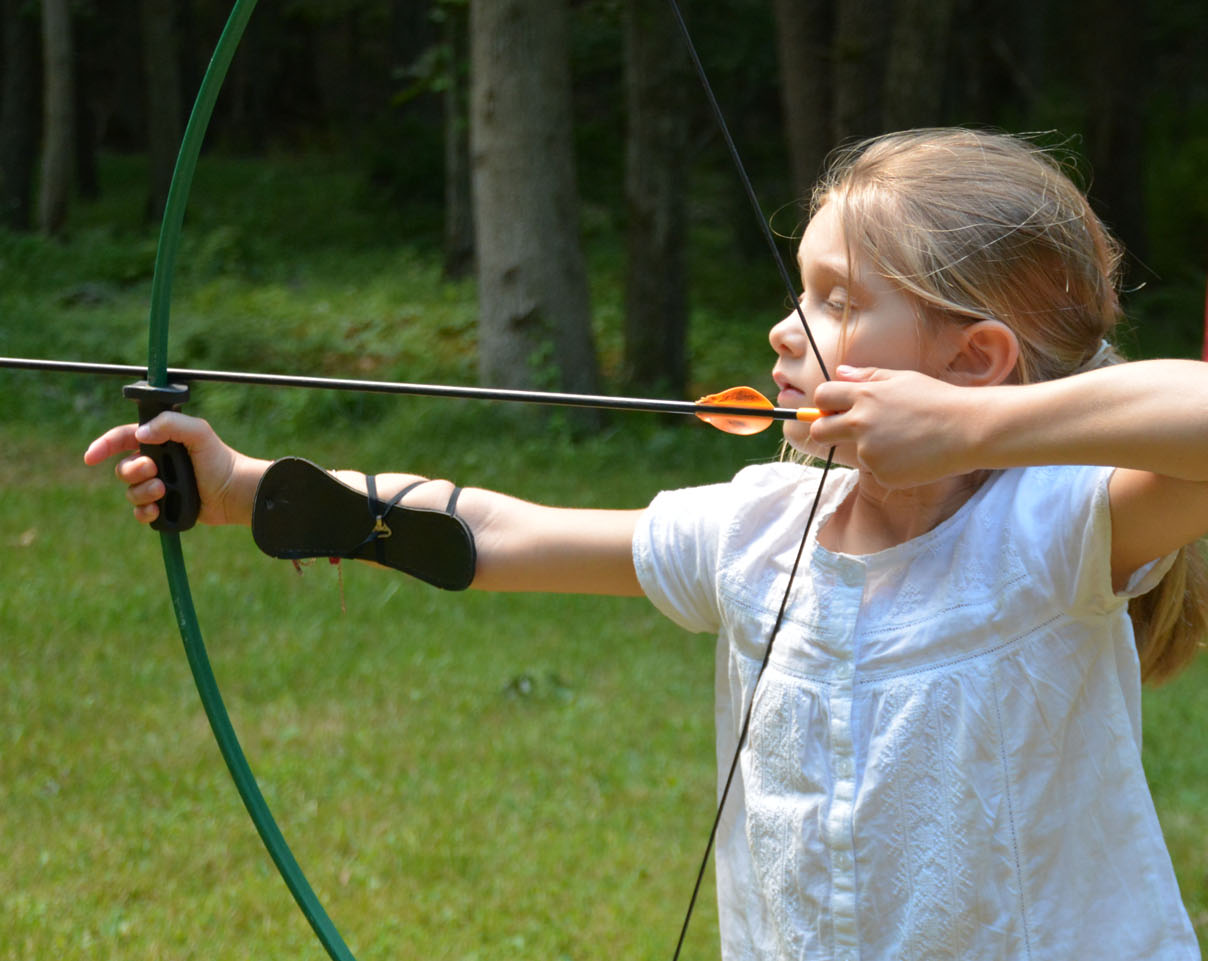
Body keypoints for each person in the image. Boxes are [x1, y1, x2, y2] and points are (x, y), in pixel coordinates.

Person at [85, 128, 1207, 960]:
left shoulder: (1054, 530)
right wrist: (243, 488)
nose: (787, 326)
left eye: (837, 299)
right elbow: (498, 531)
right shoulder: (764, 529)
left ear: (977, 359)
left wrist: (977, 433)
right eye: (798, 288)